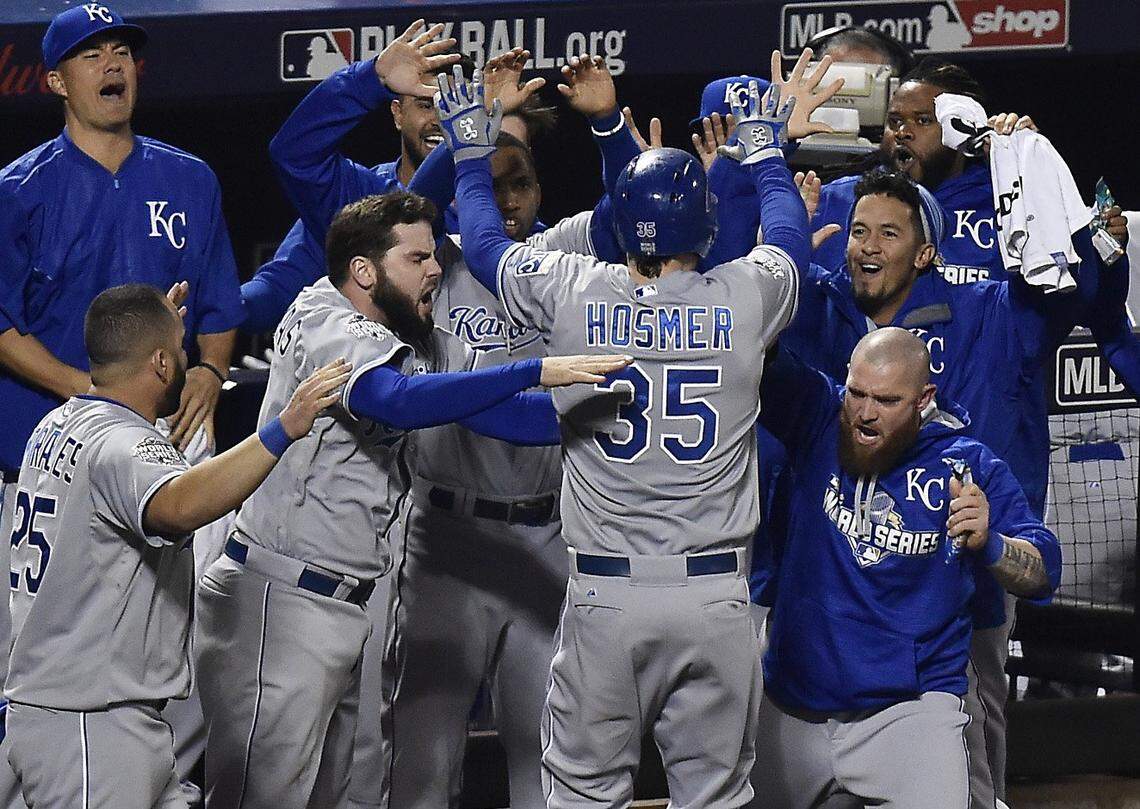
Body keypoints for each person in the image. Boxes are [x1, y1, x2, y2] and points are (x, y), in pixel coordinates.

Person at [438, 64, 806, 806]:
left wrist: (471, 149)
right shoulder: (743, 296)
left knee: (580, 791)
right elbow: (790, 237)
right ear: (702, 225)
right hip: (715, 596)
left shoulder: (575, 288)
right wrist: (766, 153)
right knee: (718, 792)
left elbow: (480, 244)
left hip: (607, 595)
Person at [194, 187, 630, 809]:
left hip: (340, 602)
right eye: (418, 258)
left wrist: (613, 421)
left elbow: (494, 412)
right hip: (279, 600)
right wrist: (535, 369)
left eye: (434, 256)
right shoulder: (326, 315)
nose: (436, 269)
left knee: (335, 795)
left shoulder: (411, 333)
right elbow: (394, 399)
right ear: (364, 271)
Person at [0, 3, 244, 799]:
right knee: (46, 659)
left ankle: (151, 783)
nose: (112, 65)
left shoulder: (189, 177)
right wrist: (93, 393)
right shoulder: (20, 191)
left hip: (169, 446)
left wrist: (209, 371)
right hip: (50, 450)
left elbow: (218, 308)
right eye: (91, 53)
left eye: (122, 51)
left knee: (182, 640)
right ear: (56, 80)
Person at [4, 282, 350, 809]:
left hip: (89, 716)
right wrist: (284, 428)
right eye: (180, 351)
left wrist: (157, 331)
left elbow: (137, 460)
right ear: (162, 365)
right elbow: (179, 505)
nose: (189, 361)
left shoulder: (57, 422)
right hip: (90, 728)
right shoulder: (120, 444)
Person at [748, 328, 1060, 809]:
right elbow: (753, 339)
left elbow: (1043, 571)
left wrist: (991, 542)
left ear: (923, 399)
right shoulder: (818, 417)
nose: (865, 413)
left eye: (887, 401)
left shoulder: (967, 467)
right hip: (794, 705)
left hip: (908, 717)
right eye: (857, 393)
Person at [241, 49, 554, 335]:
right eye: (425, 104)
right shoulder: (360, 199)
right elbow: (274, 291)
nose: (442, 120)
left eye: (454, 106)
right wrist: (368, 78)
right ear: (397, 113)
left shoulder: (501, 212)